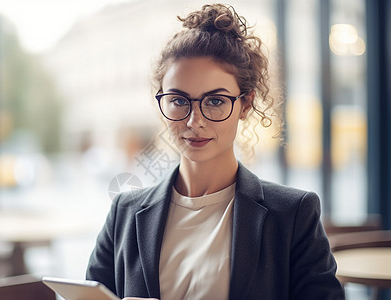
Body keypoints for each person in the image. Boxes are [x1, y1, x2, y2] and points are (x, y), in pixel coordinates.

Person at [86, 3, 345, 300]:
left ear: (245, 105)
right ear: (162, 104)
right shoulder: (124, 214)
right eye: (179, 100)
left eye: (215, 101)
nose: (194, 121)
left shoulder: (292, 215)